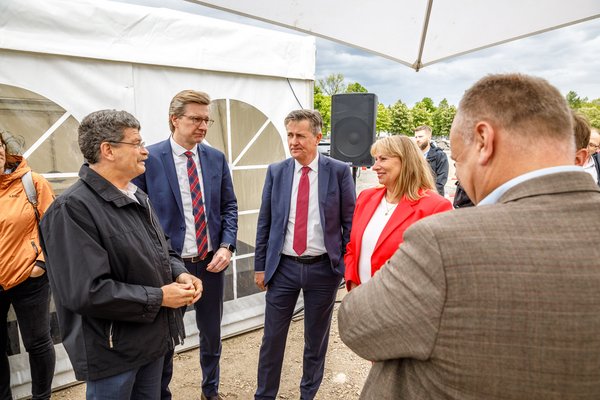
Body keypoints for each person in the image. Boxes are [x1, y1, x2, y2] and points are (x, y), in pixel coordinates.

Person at [338, 73, 600, 399]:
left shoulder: (446, 241)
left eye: (458, 160)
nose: (459, 176)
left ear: (484, 141)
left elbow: (356, 325)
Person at [39, 110, 202, 400]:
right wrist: (160, 297)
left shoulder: (136, 195)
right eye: (137, 143)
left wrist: (180, 273)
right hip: (113, 352)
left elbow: (163, 247)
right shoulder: (72, 209)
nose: (145, 151)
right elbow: (86, 291)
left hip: (150, 340)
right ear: (108, 150)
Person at [133, 90, 238, 400]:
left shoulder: (216, 158)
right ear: (174, 119)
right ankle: (161, 393)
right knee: (165, 338)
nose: (203, 126)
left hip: (210, 263)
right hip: (168, 267)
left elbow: (229, 207)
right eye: (196, 119)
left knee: (212, 333)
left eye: (207, 120)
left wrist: (227, 245)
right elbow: (138, 215)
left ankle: (210, 390)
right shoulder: (149, 158)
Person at [254, 109, 355, 400]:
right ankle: (264, 395)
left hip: (323, 270)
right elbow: (265, 222)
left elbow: (350, 222)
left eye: (300, 135)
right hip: (283, 268)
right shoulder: (277, 171)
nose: (293, 141)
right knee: (272, 339)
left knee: (316, 340)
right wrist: (260, 266)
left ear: (318, 137)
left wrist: (343, 266)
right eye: (290, 135)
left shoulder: (338, 171)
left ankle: (307, 394)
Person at [344, 135, 451, 291]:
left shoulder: (435, 207)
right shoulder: (365, 198)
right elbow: (352, 248)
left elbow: (437, 269)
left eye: (383, 159)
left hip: (402, 302)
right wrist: (353, 285)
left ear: (406, 161)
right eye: (375, 159)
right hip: (361, 297)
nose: (375, 167)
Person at [0, 133, 55, 400]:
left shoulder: (32, 182)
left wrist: (41, 264)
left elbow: (54, 229)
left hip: (29, 278)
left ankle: (41, 397)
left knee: (38, 342)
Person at [414, 125, 449, 196]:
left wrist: (430, 195)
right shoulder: (413, 155)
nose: (417, 139)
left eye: (420, 137)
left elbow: (441, 181)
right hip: (415, 196)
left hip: (433, 196)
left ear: (429, 138)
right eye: (416, 137)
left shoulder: (440, 155)